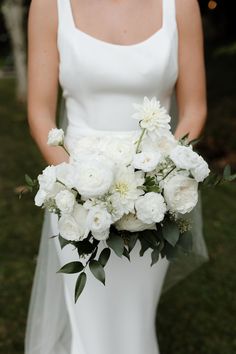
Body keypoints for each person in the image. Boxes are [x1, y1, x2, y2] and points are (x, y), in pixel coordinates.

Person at [25, 0, 207, 353]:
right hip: (78, 195)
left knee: (134, 321)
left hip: (156, 200)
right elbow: (39, 112)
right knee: (89, 321)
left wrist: (162, 179)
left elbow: (195, 107)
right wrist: (77, 186)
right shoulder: (49, 4)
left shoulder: (181, 5)